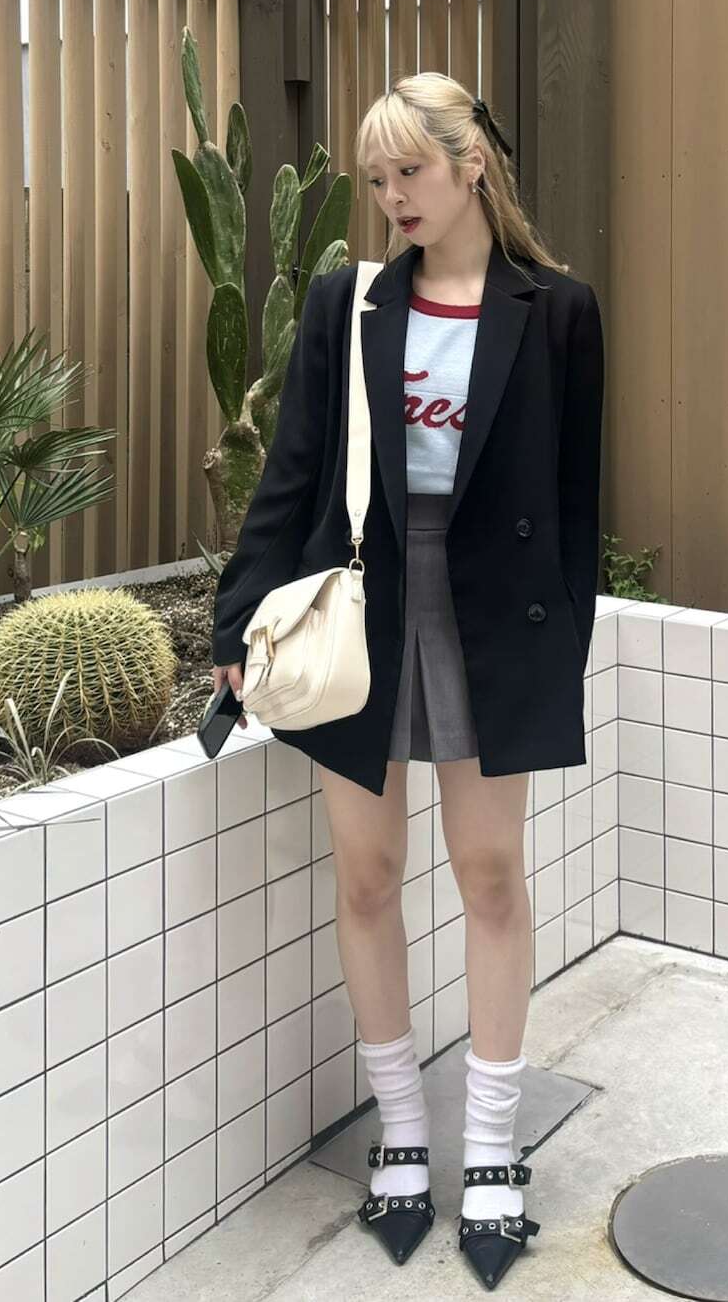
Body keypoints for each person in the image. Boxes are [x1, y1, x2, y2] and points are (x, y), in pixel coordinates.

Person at [212, 72, 604, 1289]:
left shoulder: (557, 310)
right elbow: (291, 471)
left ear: (470, 163)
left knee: (487, 872)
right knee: (368, 873)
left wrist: (563, 650)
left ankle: (490, 1144)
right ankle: (400, 1130)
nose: (390, 196)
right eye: (376, 178)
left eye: (410, 172)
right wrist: (235, 615)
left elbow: (577, 503)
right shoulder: (351, 301)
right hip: (367, 607)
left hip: (496, 616)